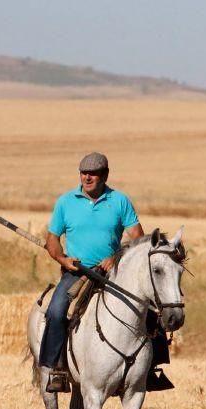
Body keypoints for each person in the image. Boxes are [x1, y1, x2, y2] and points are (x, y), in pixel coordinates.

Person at [40, 152, 173, 393]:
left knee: (152, 310)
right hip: (77, 272)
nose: (87, 177)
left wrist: (115, 257)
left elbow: (139, 241)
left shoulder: (120, 201)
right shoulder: (66, 202)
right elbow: (52, 240)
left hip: (112, 273)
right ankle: (57, 369)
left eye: (93, 173)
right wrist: (63, 259)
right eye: (83, 173)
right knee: (56, 311)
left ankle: (152, 369)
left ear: (105, 176)